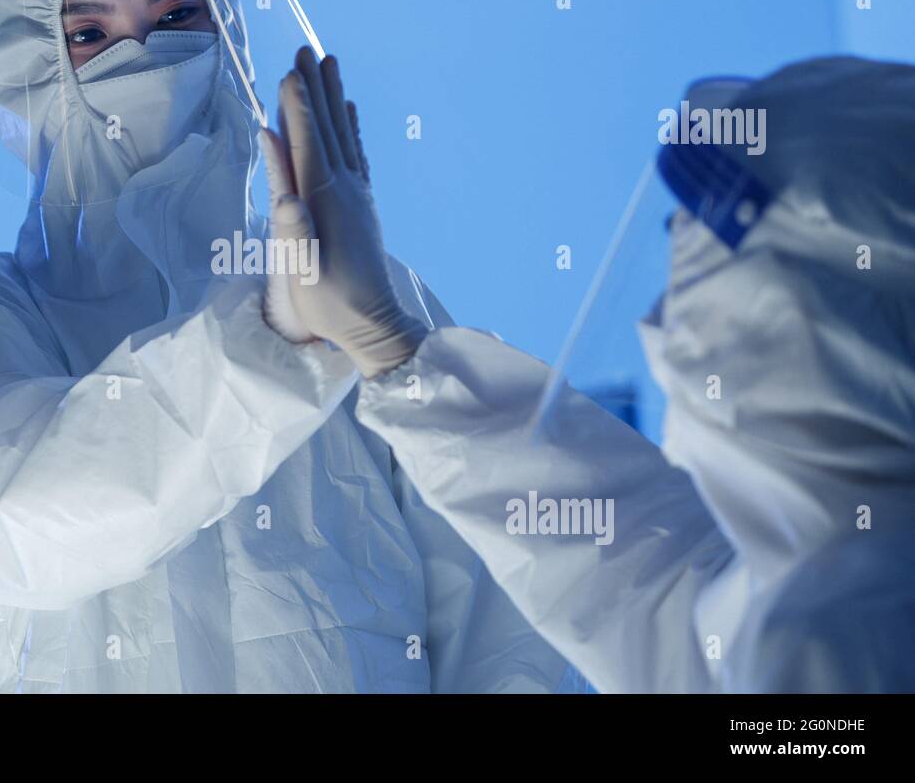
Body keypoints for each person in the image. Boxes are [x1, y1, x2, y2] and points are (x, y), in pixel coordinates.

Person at [0, 0, 572, 693]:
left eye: (178, 16)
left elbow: (503, 614)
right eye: (90, 36)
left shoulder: (368, 297)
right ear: (18, 70)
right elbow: (24, 523)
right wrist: (274, 340)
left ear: (228, 20)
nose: (145, 54)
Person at [272, 54, 915, 692]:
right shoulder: (833, 583)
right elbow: (649, 580)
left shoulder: (859, 641)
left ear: (817, 308)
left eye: (694, 271)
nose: (655, 327)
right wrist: (397, 354)